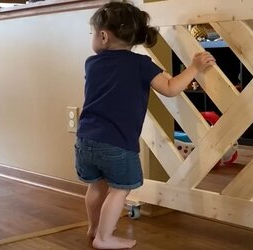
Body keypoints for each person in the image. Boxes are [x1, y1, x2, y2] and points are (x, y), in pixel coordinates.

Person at [74, 2, 215, 249]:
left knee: (96, 187)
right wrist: (194, 67)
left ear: (104, 36)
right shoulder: (140, 64)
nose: (92, 38)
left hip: (86, 140)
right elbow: (170, 88)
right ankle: (104, 238)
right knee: (119, 191)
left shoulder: (91, 63)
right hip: (117, 142)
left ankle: (94, 228)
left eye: (92, 33)